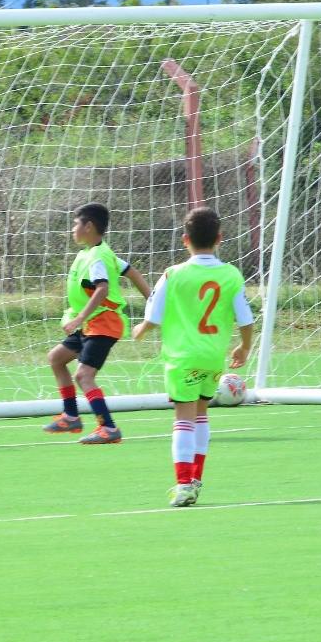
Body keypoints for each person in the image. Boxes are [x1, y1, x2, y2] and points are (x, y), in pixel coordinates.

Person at [133, 207, 254, 507]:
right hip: (213, 357)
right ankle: (195, 477)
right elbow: (246, 319)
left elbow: (154, 313)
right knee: (201, 414)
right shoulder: (231, 275)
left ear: (184, 240)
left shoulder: (173, 275)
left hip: (182, 357)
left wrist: (142, 328)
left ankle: (184, 483)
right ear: (220, 238)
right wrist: (244, 347)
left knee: (183, 419)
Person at [42, 203, 151, 444]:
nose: (73, 229)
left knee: (84, 376)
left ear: (88, 226)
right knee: (56, 358)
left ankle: (108, 428)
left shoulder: (98, 257)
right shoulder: (95, 252)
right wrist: (152, 300)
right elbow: (132, 272)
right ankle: (71, 416)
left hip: (103, 323)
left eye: (75, 224)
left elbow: (102, 289)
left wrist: (79, 317)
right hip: (90, 323)